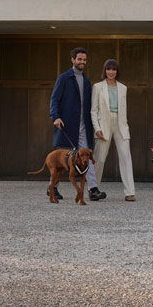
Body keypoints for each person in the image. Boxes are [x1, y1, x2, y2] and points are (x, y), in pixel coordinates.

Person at [49, 47, 105, 201]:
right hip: (66, 125)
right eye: (79, 59)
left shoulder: (86, 81)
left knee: (87, 157)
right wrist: (55, 116)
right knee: (61, 159)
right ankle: (53, 188)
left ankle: (93, 189)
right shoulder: (64, 78)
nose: (82, 62)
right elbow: (54, 99)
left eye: (84, 60)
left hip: (83, 126)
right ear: (73, 60)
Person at [91, 59, 136, 202]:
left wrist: (125, 126)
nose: (111, 72)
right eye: (108, 69)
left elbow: (124, 110)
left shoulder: (123, 88)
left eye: (114, 69)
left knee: (126, 157)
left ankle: (130, 192)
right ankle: (93, 189)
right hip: (103, 124)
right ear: (104, 71)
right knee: (100, 158)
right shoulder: (98, 87)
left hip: (121, 124)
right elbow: (93, 110)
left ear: (117, 71)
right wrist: (97, 128)